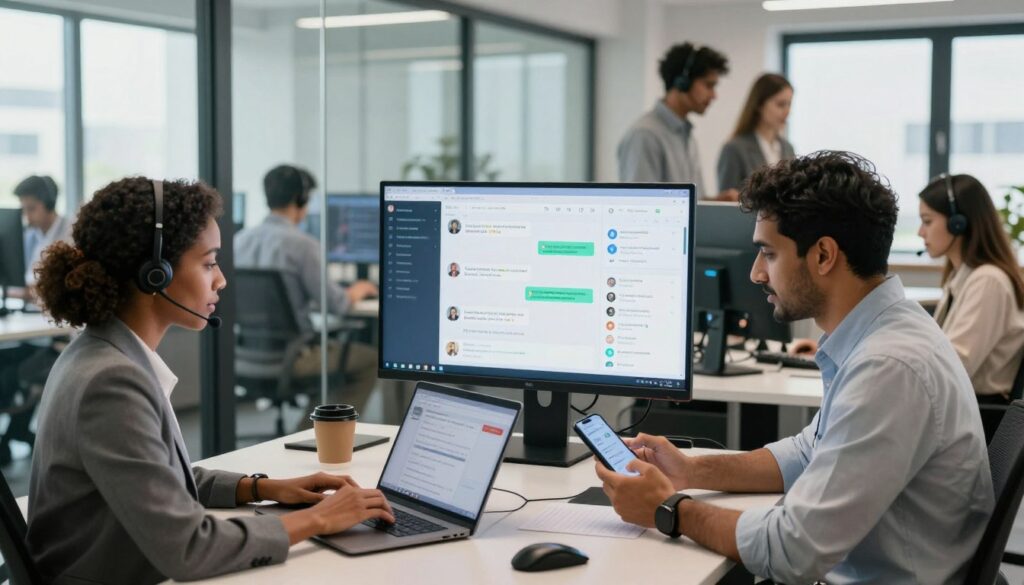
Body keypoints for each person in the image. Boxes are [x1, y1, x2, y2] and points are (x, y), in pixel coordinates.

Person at [595, 151, 992, 584]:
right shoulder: (881, 332)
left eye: (768, 253)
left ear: (823, 255)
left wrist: (668, 509)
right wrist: (691, 471)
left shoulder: (888, 366)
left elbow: (794, 550)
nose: (756, 274)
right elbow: (808, 452)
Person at [28, 177, 394, 584]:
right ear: (155, 274)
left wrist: (264, 488)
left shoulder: (99, 352)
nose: (220, 280)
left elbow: (159, 479)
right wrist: (320, 518)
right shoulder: (111, 382)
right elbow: (190, 547)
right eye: (208, 263)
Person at [235, 165, 378, 413]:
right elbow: (338, 305)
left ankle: (314, 423)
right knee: (370, 360)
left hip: (246, 355)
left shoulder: (239, 241)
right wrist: (357, 290)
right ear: (300, 199)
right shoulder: (303, 245)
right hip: (293, 357)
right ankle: (318, 428)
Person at [618, 42, 735, 201]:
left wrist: (717, 202)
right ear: (682, 82)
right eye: (708, 85)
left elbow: (688, 203)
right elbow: (640, 205)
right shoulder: (645, 135)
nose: (714, 96)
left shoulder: (686, 135)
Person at [717, 73, 796, 192]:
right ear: (759, 105)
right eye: (780, 104)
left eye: (789, 104)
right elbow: (726, 199)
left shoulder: (788, 148)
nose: (787, 111)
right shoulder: (734, 149)